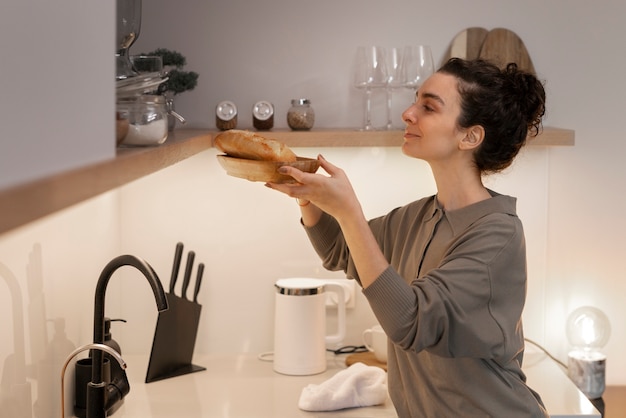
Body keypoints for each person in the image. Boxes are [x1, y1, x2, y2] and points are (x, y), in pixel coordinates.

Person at [266, 57, 549, 417]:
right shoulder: (419, 216)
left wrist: (349, 210)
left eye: (428, 107)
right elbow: (341, 251)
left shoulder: (497, 234)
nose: (408, 113)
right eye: (416, 101)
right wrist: (307, 197)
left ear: (470, 136)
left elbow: (410, 321)